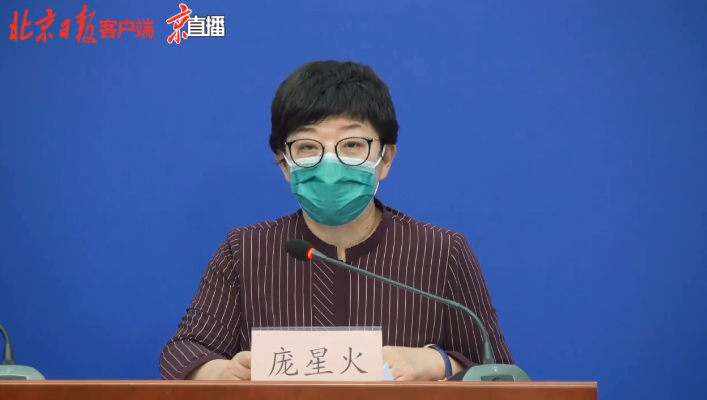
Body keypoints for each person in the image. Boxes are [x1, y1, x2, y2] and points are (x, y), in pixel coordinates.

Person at [159, 60, 514, 381]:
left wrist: (439, 363)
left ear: (385, 158)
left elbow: (498, 371)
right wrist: (223, 372)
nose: (330, 165)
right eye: (308, 147)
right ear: (284, 164)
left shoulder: (442, 251)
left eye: (352, 145)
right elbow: (183, 352)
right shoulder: (245, 250)